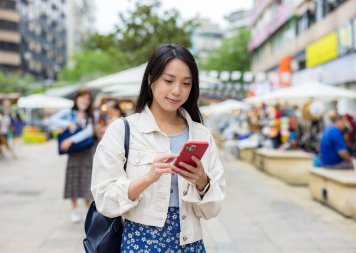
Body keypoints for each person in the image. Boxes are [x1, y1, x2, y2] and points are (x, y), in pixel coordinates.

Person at [91, 44, 226, 252]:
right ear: (150, 80)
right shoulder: (123, 130)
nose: (177, 91)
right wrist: (147, 178)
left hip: (190, 244)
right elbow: (104, 199)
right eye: (169, 80)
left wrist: (202, 182)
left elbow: (213, 209)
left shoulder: (201, 135)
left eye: (186, 83)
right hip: (140, 243)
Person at [49, 88, 94, 223]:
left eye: (87, 98)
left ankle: (87, 209)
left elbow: (89, 132)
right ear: (76, 98)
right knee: (72, 179)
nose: (85, 101)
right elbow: (51, 121)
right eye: (82, 97)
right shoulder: (69, 113)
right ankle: (74, 210)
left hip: (86, 151)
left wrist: (71, 139)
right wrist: (67, 123)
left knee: (87, 180)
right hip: (73, 153)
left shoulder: (90, 115)